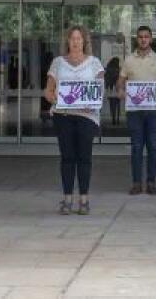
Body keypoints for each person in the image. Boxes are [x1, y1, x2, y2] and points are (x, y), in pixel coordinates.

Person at [43, 25, 104, 215]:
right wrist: (57, 99)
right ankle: (67, 198)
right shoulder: (58, 63)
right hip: (64, 116)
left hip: (86, 117)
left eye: (79, 38)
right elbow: (48, 91)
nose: (76, 42)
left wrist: (91, 102)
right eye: (72, 38)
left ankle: (84, 199)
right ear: (67, 41)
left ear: (84, 41)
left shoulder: (94, 63)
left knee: (84, 158)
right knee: (67, 158)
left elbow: (99, 91)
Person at [119, 26, 156, 195]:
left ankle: (151, 182)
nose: (143, 39)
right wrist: (121, 90)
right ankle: (136, 183)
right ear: (137, 39)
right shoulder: (128, 60)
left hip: (154, 111)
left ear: (151, 39)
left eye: (146, 36)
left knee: (153, 147)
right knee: (136, 147)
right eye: (140, 37)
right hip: (135, 111)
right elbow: (121, 81)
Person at [104, 56, 122, 126]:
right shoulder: (119, 70)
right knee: (118, 104)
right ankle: (117, 118)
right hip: (117, 89)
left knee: (112, 105)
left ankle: (113, 118)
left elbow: (106, 80)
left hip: (110, 89)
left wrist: (106, 87)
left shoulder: (108, 69)